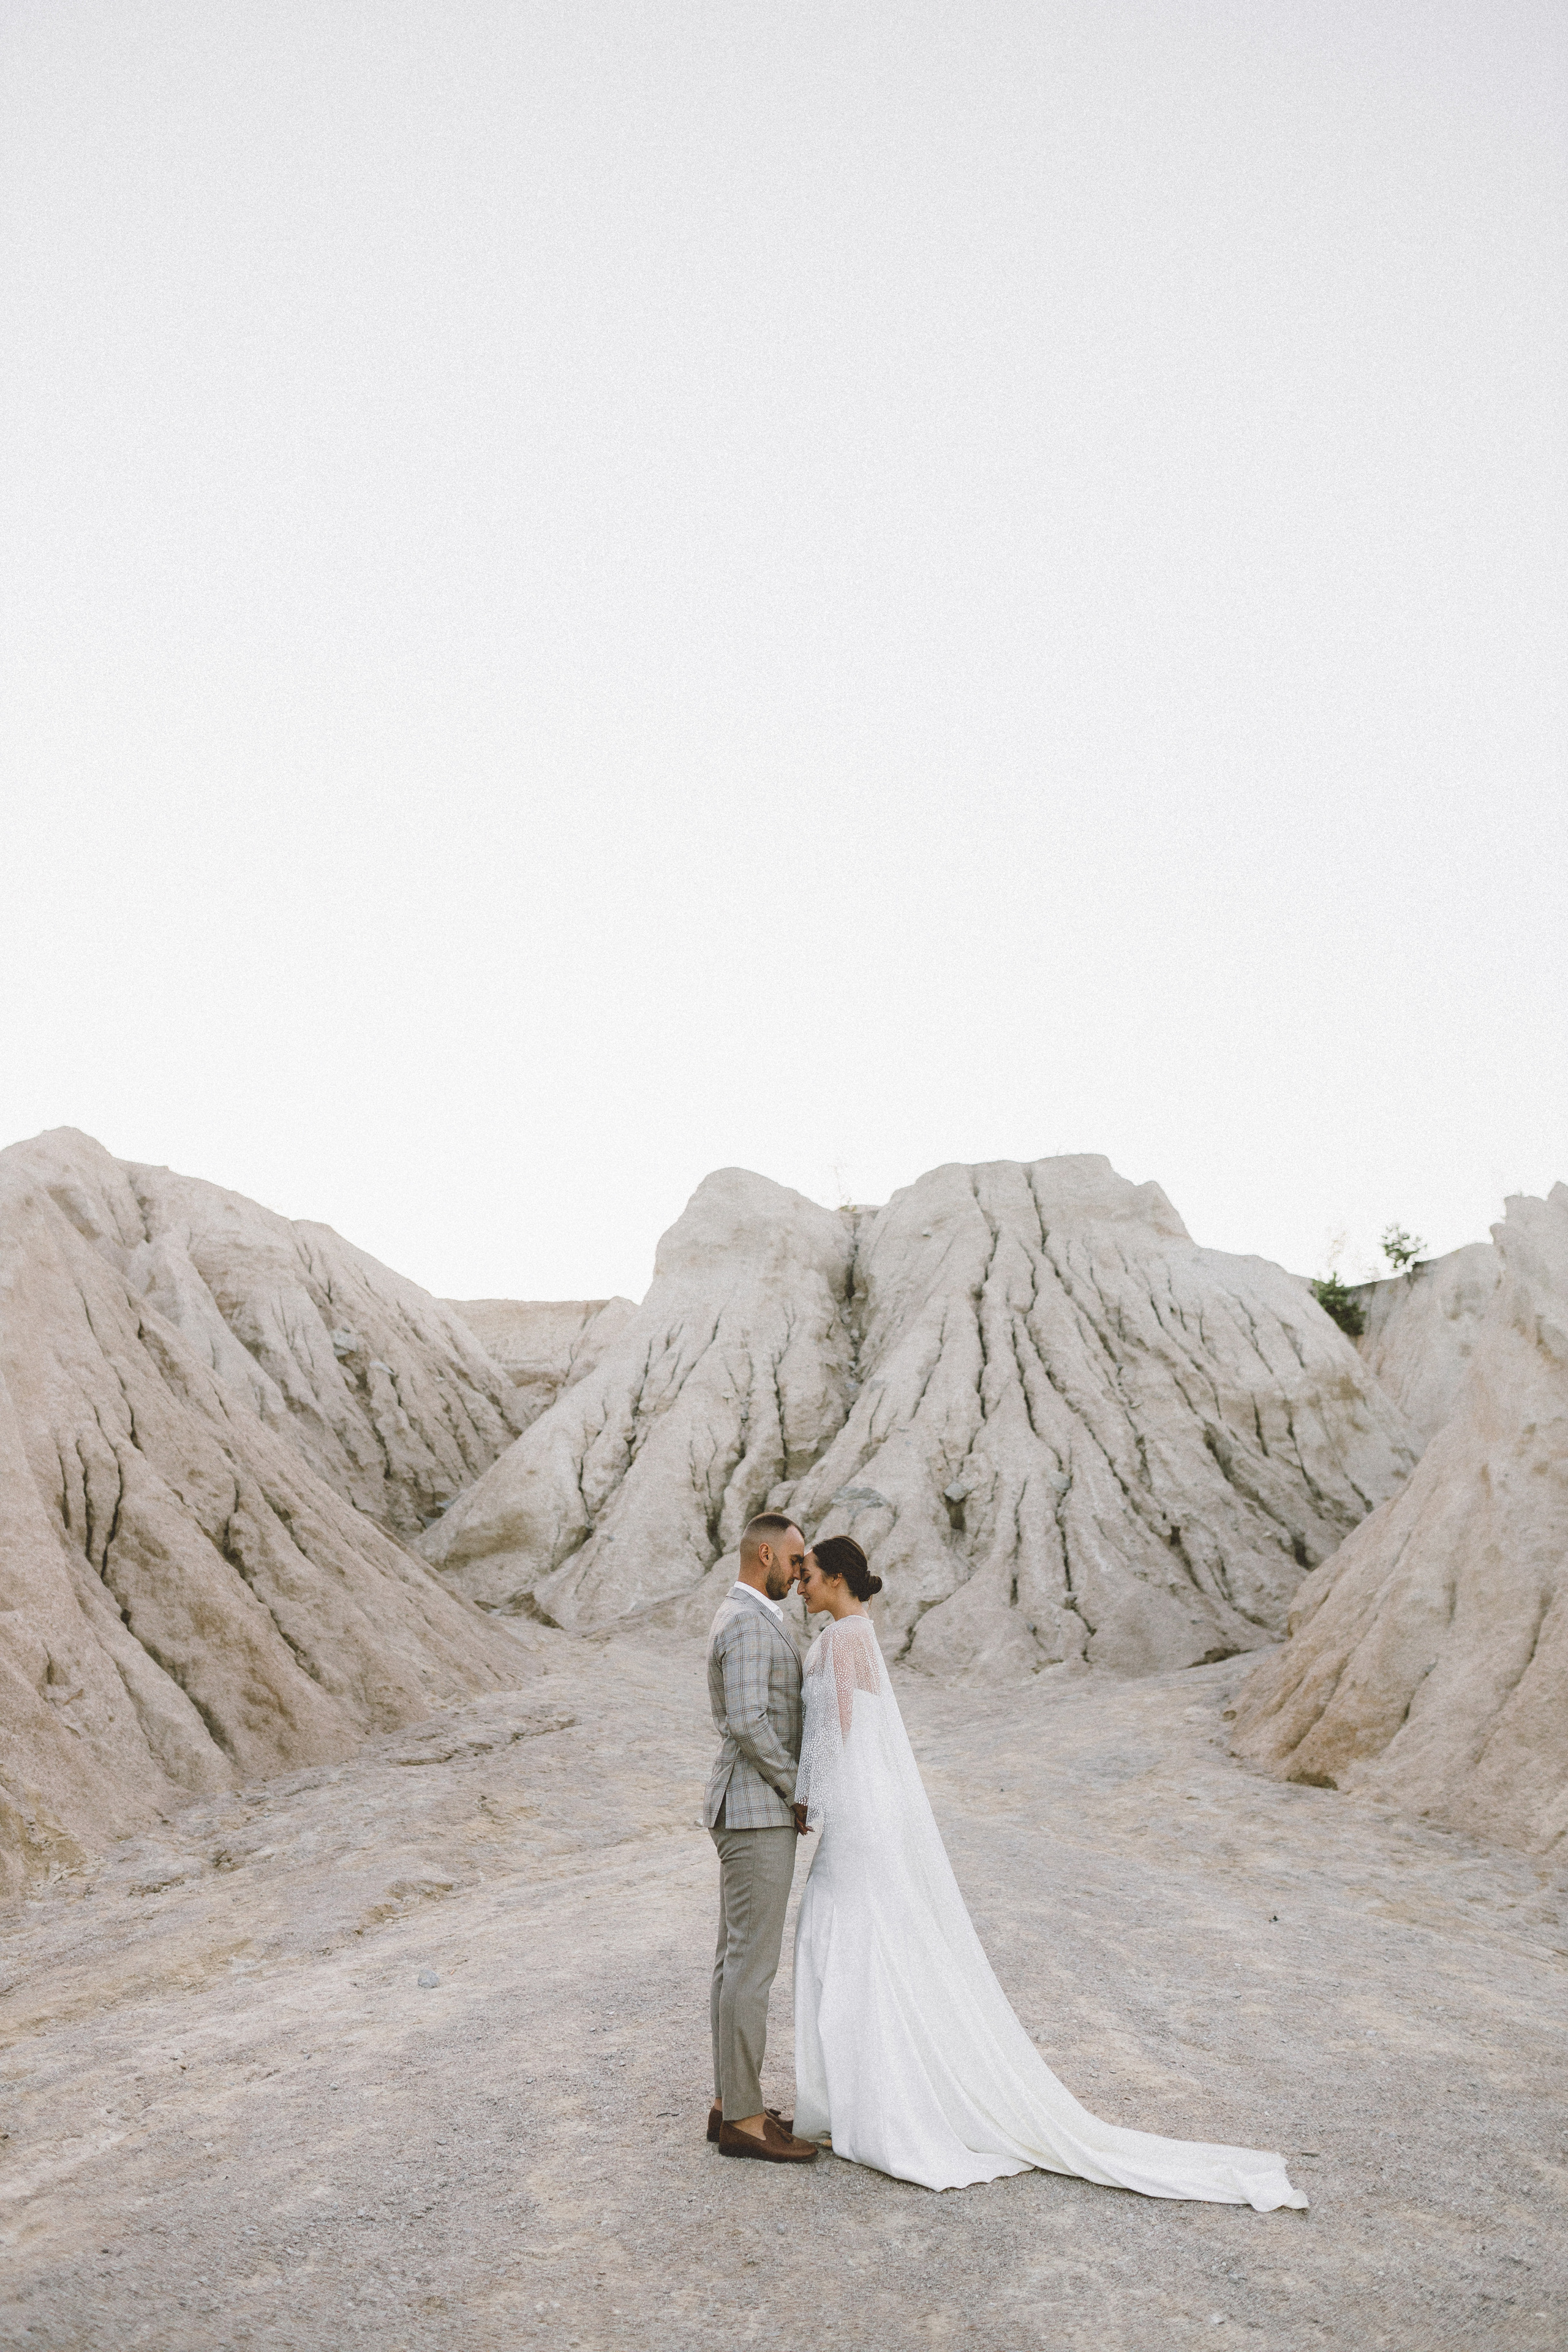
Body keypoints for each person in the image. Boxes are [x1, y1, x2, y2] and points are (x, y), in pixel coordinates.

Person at [791, 1534, 1308, 2209]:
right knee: (867, 1933)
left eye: (809, 1576)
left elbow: (835, 1729)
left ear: (836, 1578)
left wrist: (807, 1799)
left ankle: (870, 2103)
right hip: (874, 1806)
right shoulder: (861, 1633)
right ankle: (866, 2095)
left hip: (859, 1813)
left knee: (847, 1931)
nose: (801, 1587)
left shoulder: (840, 1640)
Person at [703, 1513, 820, 2163]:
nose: (801, 1572)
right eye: (797, 1560)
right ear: (767, 1555)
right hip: (755, 1811)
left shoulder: (749, 1615)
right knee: (751, 1967)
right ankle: (744, 2121)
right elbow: (748, 1721)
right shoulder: (748, 1620)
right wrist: (795, 1788)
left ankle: (730, 2102)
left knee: (734, 1962)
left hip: (747, 1808)